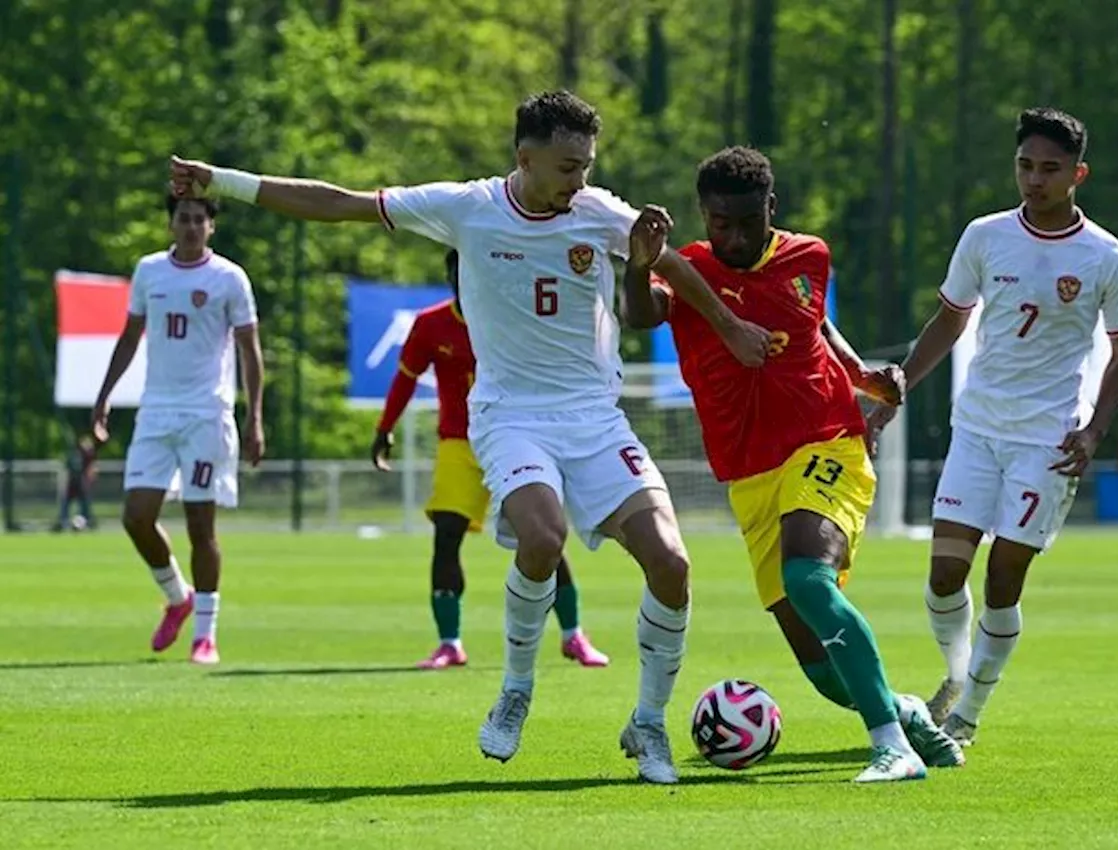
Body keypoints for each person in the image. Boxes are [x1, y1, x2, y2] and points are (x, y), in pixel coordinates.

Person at [170, 89, 770, 784]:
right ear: (526, 158)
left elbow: (677, 274)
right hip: (510, 415)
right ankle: (516, 690)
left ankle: (648, 725)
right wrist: (225, 184)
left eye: (587, 166)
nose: (581, 180)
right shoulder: (467, 207)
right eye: (569, 167)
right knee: (543, 540)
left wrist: (725, 324)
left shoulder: (601, 213)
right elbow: (341, 203)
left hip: (595, 418)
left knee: (672, 563)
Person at [622, 145, 962, 783]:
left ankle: (892, 749)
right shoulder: (689, 269)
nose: (735, 236)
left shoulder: (810, 254)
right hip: (749, 477)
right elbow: (640, 316)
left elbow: (816, 325)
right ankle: (906, 711)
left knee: (809, 580)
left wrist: (860, 378)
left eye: (748, 222)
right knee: (827, 675)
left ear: (770, 208)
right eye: (720, 223)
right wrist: (638, 268)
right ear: (704, 216)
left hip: (825, 441)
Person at [866, 107, 1118, 745]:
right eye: (1025, 166)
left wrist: (1096, 430)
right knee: (942, 577)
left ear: (1079, 174)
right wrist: (901, 386)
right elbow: (949, 321)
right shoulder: (985, 236)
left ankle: (968, 716)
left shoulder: (1109, 258)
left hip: (1047, 439)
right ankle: (956, 676)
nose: (1034, 180)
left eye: (1050, 169)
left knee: (1002, 579)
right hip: (978, 427)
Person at [372, 248, 609, 669]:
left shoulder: (513, 318)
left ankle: (573, 635)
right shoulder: (430, 325)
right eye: (457, 273)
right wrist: (384, 427)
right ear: (450, 277)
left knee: (545, 538)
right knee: (446, 535)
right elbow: (405, 378)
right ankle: (450, 643)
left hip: (516, 439)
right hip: (459, 445)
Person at [91, 194, 265, 666]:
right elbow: (130, 336)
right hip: (157, 412)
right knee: (135, 515)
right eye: (182, 218)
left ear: (211, 227)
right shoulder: (149, 271)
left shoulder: (229, 278)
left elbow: (250, 350)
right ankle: (177, 597)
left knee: (199, 524)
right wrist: (104, 396)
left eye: (198, 219)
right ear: (170, 223)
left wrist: (254, 417)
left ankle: (205, 635)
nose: (190, 226)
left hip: (206, 414)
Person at [53, 434, 99, 532]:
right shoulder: (74, 455)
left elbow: (91, 469)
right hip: (72, 484)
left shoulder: (89, 456)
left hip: (82, 485)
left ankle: (87, 522)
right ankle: (62, 522)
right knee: (65, 505)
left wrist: (89, 479)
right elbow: (67, 470)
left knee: (85, 507)